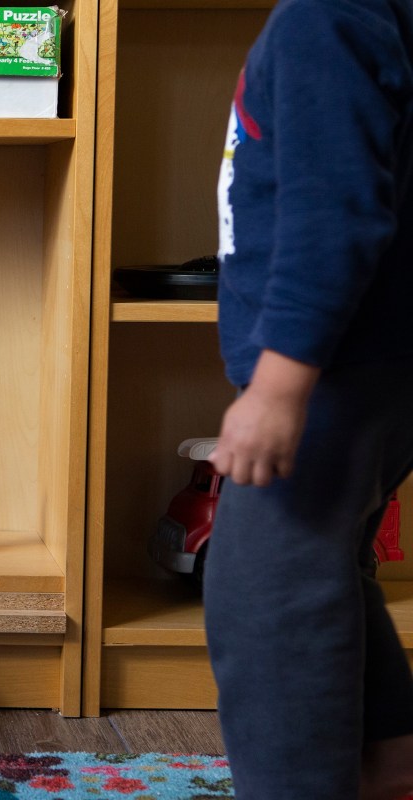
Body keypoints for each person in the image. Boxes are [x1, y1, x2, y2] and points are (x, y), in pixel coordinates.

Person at [204, 0, 413, 797]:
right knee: (329, 559)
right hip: (371, 362)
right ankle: (392, 756)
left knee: (266, 591)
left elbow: (336, 212)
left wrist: (280, 385)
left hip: (333, 370)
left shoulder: (328, 16)